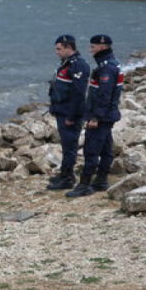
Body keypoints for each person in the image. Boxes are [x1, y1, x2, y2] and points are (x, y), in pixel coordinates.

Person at [66, 34, 123, 197]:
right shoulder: (111, 64)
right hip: (107, 115)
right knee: (106, 149)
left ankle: (84, 184)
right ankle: (101, 180)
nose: (90, 49)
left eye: (93, 46)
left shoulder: (106, 68)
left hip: (102, 116)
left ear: (102, 47)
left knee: (91, 150)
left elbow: (104, 95)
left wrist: (95, 117)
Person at [46, 34, 90, 191]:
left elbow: (79, 94)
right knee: (65, 146)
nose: (56, 52)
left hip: (69, 114)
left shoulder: (78, 65)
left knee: (70, 146)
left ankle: (68, 178)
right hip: (61, 111)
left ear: (68, 47)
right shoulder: (66, 63)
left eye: (59, 49)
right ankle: (64, 173)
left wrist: (72, 116)